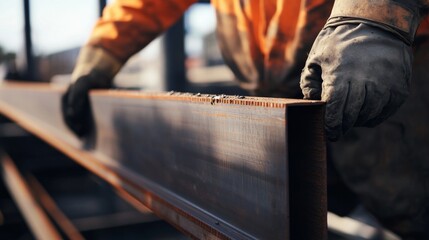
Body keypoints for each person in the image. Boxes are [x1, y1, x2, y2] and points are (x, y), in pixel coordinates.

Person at [61, 0, 429, 238]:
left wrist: (376, 16)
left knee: (411, 207)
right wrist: (101, 54)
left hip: (386, 60)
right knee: (318, 213)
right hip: (281, 90)